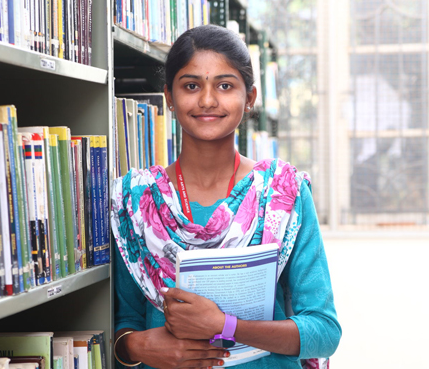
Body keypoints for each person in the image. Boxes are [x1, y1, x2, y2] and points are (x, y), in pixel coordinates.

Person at [108, 25, 341, 369]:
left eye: (225, 85)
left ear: (250, 98)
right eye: (191, 86)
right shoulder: (135, 201)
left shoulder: (282, 193)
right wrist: (135, 349)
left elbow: (324, 332)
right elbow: (125, 322)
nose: (207, 100)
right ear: (169, 97)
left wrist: (224, 326)